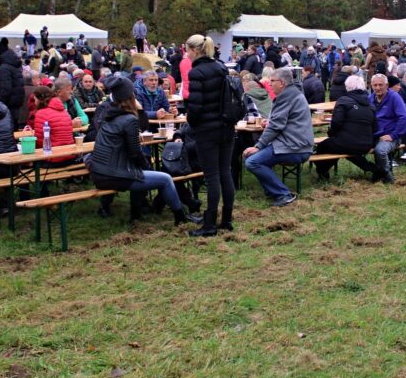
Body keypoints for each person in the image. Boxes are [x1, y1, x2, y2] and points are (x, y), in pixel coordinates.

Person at [90, 76, 200, 225]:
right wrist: (147, 167)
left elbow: (138, 135)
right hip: (115, 175)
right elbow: (135, 152)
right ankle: (180, 217)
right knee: (166, 179)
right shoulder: (128, 119)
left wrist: (140, 110)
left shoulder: (109, 116)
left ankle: (138, 214)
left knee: (144, 173)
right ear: (130, 97)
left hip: (99, 173)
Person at [185, 34, 237, 236]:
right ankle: (227, 219)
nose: (187, 54)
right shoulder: (221, 67)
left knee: (212, 176)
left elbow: (195, 107)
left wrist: (191, 122)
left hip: (207, 130)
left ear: (195, 50)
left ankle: (209, 225)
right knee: (225, 172)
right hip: (226, 126)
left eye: (187, 50)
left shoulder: (196, 72)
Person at [243, 67, 313, 207]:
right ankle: (272, 191)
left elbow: (276, 127)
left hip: (295, 147)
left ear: (281, 83)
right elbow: (281, 121)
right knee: (251, 158)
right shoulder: (292, 93)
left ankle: (283, 194)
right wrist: (270, 121)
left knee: (252, 162)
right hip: (296, 143)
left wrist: (258, 146)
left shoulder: (287, 97)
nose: (269, 83)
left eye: (272, 81)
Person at [313, 74, 376, 180]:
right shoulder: (370, 104)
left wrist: (332, 134)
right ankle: (373, 169)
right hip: (366, 144)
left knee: (323, 147)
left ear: (347, 87)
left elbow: (336, 123)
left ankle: (322, 172)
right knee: (341, 148)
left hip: (348, 143)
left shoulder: (344, 100)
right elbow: (375, 126)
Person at [351, 74, 406, 183]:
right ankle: (375, 171)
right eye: (375, 85)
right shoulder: (370, 98)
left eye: (380, 85)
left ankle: (388, 178)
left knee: (380, 151)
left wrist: (393, 135)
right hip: (372, 135)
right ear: (371, 86)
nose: (377, 88)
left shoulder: (395, 97)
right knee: (351, 148)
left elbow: (404, 117)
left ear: (387, 85)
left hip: (390, 136)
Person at [0, 38, 25, 127]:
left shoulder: (4, 67)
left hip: (8, 105)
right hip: (15, 103)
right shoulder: (14, 64)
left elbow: (6, 88)